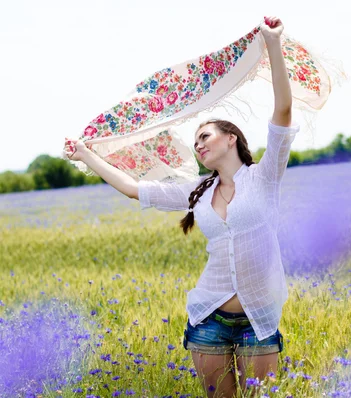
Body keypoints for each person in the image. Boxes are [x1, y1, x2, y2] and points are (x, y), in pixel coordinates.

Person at [68, 15, 298, 398]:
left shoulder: (265, 177)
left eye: (205, 136)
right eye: (195, 142)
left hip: (258, 318)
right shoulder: (197, 192)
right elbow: (133, 189)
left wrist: (272, 44)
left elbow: (283, 111)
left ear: (230, 139)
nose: (198, 145)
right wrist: (84, 155)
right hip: (208, 317)